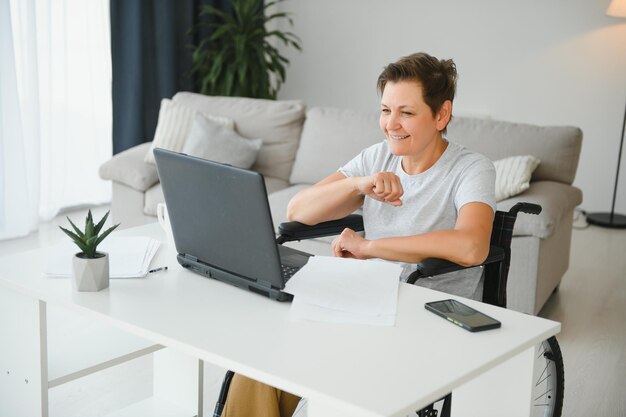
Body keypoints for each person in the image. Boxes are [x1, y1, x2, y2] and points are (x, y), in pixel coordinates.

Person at [221, 52, 496, 417]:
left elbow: (472, 246)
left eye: (406, 112)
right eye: (386, 110)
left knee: (328, 378)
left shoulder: (471, 169)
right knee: (259, 363)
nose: (391, 124)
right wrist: (358, 184)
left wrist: (370, 247)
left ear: (441, 114)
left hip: (425, 313)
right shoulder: (376, 157)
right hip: (363, 299)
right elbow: (298, 210)